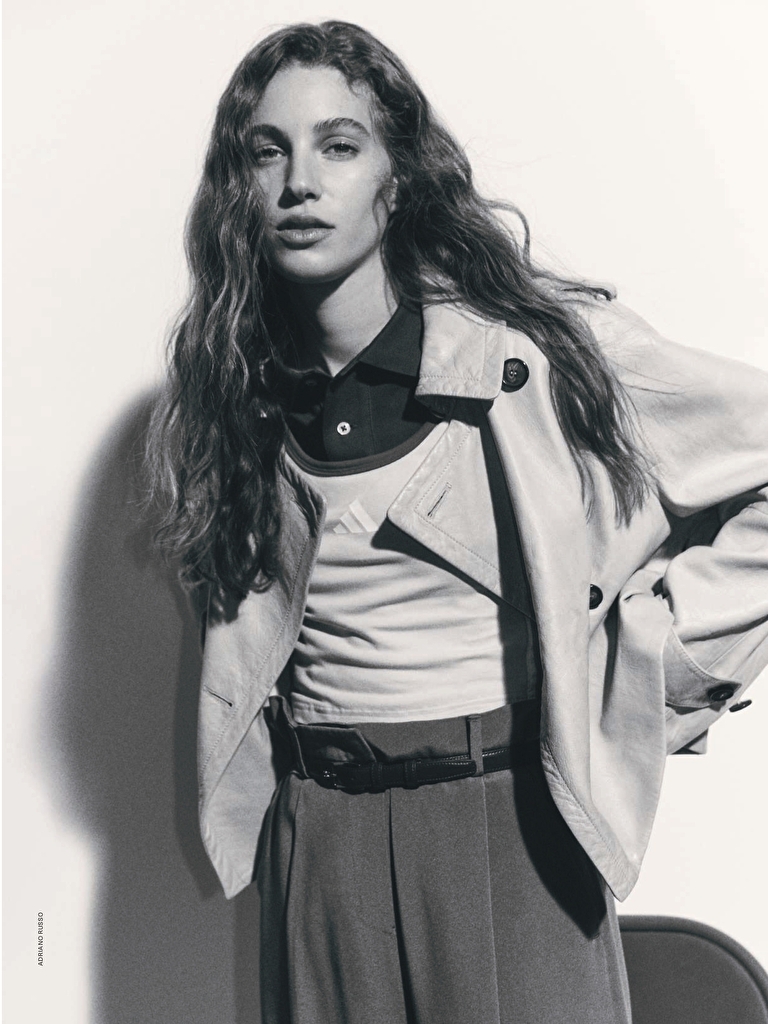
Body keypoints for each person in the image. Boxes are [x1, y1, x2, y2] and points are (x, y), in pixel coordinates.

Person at [147, 20, 768, 1024]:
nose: (301, 181)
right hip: (318, 836)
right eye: (269, 152)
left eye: (339, 145)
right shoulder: (233, 397)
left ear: (398, 180)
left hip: (507, 823)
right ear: (240, 188)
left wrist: (656, 664)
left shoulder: (532, 357)